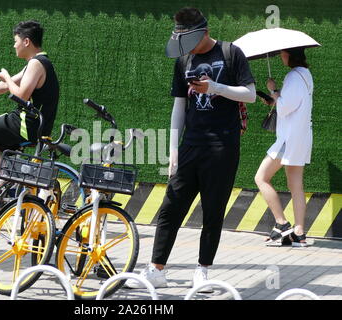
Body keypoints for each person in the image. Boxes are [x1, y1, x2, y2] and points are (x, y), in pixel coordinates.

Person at [126, 7, 256, 290]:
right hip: (190, 146)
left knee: (212, 211)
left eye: (191, 40)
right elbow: (179, 106)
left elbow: (251, 94)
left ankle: (202, 271)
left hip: (223, 146)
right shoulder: (183, 58)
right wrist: (173, 150)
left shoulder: (231, 53)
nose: (188, 47)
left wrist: (215, 88)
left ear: (205, 32)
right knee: (171, 207)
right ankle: (156, 269)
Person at [0, 20, 59, 213]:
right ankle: (1, 199)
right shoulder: (40, 62)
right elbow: (7, 85)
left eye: (15, 41)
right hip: (36, 127)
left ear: (26, 42)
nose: (13, 45)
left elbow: (20, 95)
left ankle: (4, 176)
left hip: (27, 124)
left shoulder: (36, 63)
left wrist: (7, 77)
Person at [255, 47, 313, 247]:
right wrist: (276, 95)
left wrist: (272, 90)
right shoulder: (305, 75)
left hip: (289, 139)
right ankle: (299, 233)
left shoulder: (293, 76)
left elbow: (286, 107)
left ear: (290, 55)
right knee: (295, 185)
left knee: (261, 177)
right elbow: (291, 103)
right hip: (300, 137)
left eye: (283, 53)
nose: (281, 56)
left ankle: (281, 224)